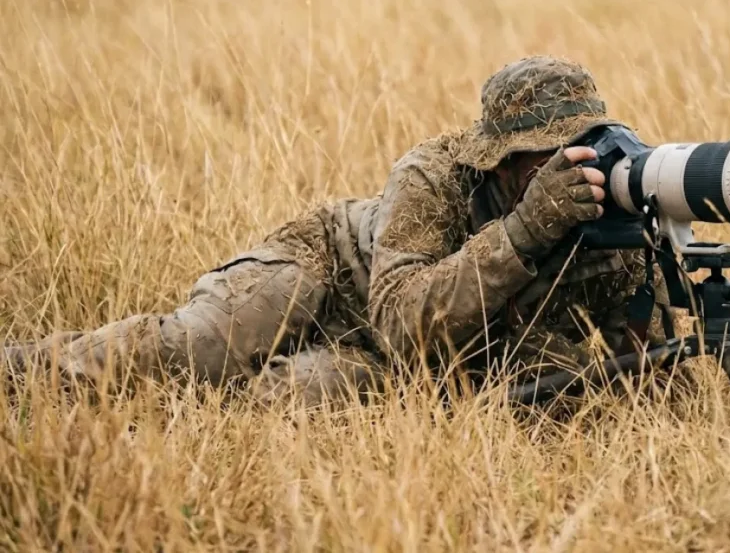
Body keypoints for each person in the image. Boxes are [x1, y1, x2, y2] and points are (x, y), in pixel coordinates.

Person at [3, 56, 673, 407]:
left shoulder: (599, 205)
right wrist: (526, 231)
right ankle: (25, 369)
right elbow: (402, 317)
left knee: (288, 401)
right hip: (330, 272)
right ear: (499, 157)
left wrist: (656, 270)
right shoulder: (435, 173)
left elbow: (640, 368)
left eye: (574, 147)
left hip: (403, 359)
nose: (561, 166)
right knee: (203, 348)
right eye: (541, 153)